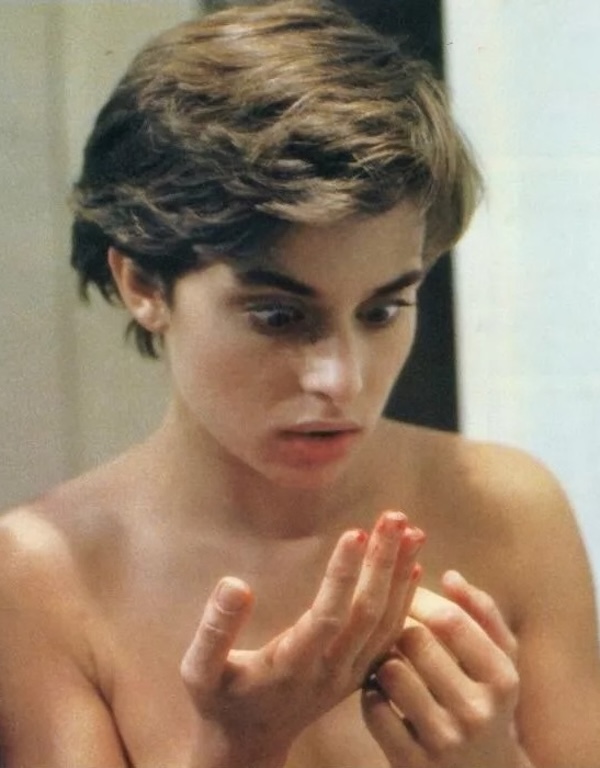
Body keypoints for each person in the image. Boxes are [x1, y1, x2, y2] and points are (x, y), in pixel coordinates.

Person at [0, 1, 598, 766]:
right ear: (144, 284)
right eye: (280, 316)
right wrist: (234, 748)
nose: (340, 378)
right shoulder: (43, 573)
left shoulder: (509, 509)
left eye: (383, 309)